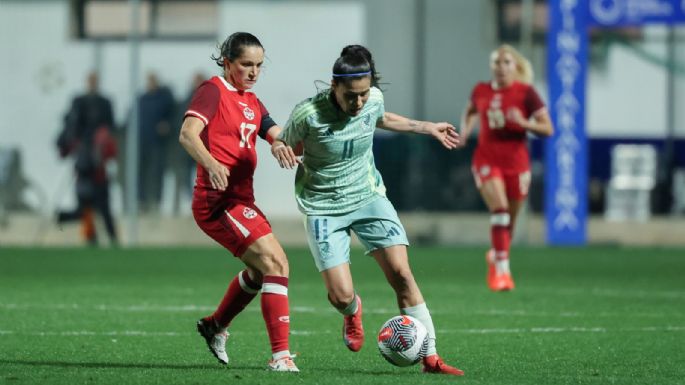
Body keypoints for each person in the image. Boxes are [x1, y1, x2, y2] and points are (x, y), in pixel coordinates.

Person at [271, 45, 464, 376]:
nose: (358, 102)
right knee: (340, 294)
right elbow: (282, 140)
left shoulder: (373, 99)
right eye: (351, 95)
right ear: (335, 86)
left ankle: (431, 358)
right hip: (322, 205)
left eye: (362, 94)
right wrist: (279, 149)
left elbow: (382, 117)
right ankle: (352, 311)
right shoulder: (308, 113)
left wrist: (427, 127)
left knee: (402, 274)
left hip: (367, 196)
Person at [178, 32, 298, 372]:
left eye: (259, 65)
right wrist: (212, 163)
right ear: (227, 62)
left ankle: (215, 325)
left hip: (240, 199)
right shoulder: (212, 90)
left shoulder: (252, 100)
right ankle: (281, 357)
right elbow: (187, 134)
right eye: (246, 64)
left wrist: (281, 144)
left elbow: (275, 132)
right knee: (276, 262)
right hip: (217, 201)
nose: (253, 71)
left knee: (261, 272)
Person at [458, 44, 553, 292]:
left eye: (506, 62)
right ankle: (502, 272)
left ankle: (496, 256)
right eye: (496, 62)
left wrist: (523, 122)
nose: (500, 67)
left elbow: (548, 128)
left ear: (516, 66)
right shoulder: (480, 90)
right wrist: (465, 131)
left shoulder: (526, 93)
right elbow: (469, 111)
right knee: (499, 211)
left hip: (517, 163)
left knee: (508, 221)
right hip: (487, 159)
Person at [56, 72, 119, 246]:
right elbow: (70, 129)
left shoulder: (105, 103)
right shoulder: (78, 102)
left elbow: (111, 128)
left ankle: (112, 238)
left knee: (103, 204)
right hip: (84, 163)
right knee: (85, 204)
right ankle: (90, 238)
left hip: (98, 165)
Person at [138, 72, 176, 213]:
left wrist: (167, 125)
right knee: (141, 173)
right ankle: (142, 201)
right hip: (143, 142)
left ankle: (157, 201)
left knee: (158, 172)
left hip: (159, 143)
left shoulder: (164, 99)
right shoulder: (142, 99)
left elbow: (172, 116)